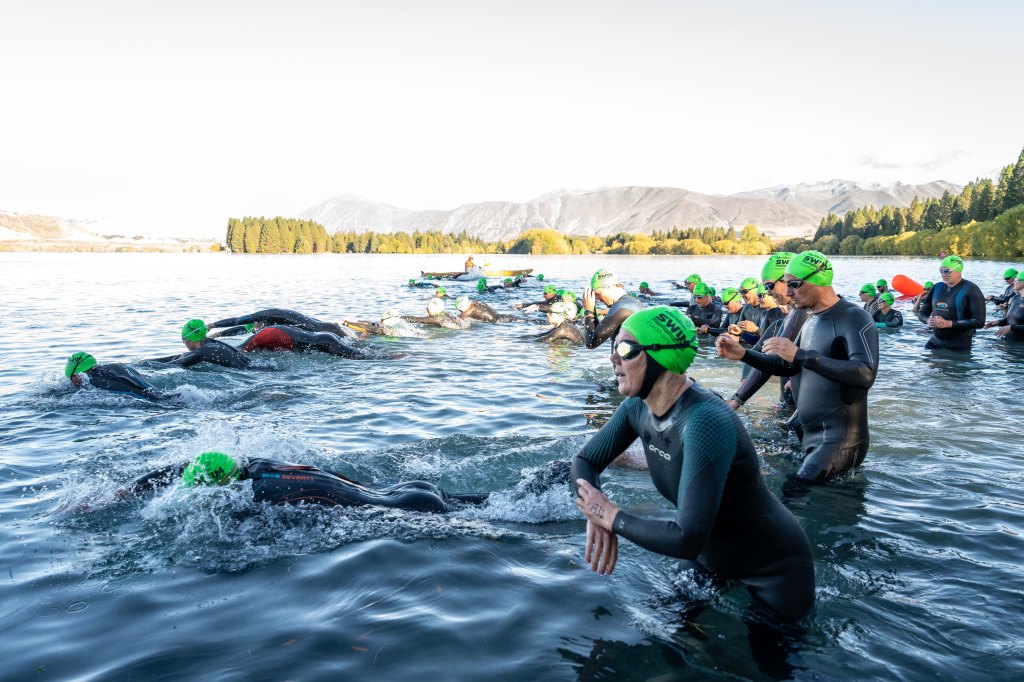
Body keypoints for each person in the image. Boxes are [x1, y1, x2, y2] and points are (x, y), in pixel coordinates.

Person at [571, 306, 815, 628]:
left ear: (664, 357)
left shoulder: (705, 421)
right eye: (615, 347)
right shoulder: (636, 407)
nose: (613, 359)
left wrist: (610, 516)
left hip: (772, 569)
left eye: (626, 349)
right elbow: (585, 461)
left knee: (768, 667)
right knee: (672, 640)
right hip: (706, 559)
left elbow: (686, 536)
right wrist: (594, 512)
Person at [716, 251, 879, 486]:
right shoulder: (812, 319)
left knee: (792, 496)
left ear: (818, 280)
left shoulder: (855, 318)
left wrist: (801, 355)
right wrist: (743, 354)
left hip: (838, 442)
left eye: (794, 284)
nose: (789, 291)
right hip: (810, 432)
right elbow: (786, 366)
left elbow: (865, 373)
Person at [107, 451, 488, 514]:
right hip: (408, 488)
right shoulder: (258, 464)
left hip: (409, 510)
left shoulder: (258, 495)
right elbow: (186, 465)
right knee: (495, 501)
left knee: (506, 520)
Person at [727, 252, 808, 409]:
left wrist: (742, 353)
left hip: (805, 412)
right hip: (788, 407)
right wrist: (738, 397)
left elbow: (779, 363)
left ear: (789, 281)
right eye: (764, 288)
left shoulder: (804, 315)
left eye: (769, 286)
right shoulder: (781, 323)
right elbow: (763, 356)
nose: (767, 292)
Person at [916, 255, 986, 350]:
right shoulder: (937, 287)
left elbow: (979, 322)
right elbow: (922, 312)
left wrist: (947, 323)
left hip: (958, 346)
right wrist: (928, 321)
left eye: (947, 271)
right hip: (934, 341)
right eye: (941, 271)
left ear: (958, 271)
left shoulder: (971, 289)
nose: (943, 274)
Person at [146, 319, 252, 369]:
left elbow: (175, 364)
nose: (183, 342)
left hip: (248, 372)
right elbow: (178, 357)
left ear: (192, 339)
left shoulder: (204, 351)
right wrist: (144, 362)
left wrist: (144, 368)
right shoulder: (210, 344)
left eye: (184, 339)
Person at [582, 268, 644, 349]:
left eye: (597, 293)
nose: (597, 298)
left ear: (608, 287)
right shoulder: (631, 302)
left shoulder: (622, 307)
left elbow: (591, 343)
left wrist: (589, 311)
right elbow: (596, 332)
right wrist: (592, 311)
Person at [64, 352, 166, 401]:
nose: (71, 382)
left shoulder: (95, 381)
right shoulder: (115, 366)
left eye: (71, 378)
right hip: (163, 394)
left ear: (77, 374)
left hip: (157, 401)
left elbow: (131, 393)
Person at [208, 308, 357, 340]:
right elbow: (243, 328)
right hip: (330, 330)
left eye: (255, 329)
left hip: (332, 331)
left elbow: (239, 320)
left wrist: (212, 325)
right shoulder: (271, 322)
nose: (254, 331)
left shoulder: (270, 314)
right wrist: (218, 335)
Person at [241, 325, 376, 358]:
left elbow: (242, 354)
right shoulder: (265, 333)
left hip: (324, 341)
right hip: (323, 337)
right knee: (360, 353)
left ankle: (389, 357)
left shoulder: (253, 342)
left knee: (360, 357)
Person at [984, 271, 1024, 340]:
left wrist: (1011, 327)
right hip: (1007, 342)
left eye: (1016, 280)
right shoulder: (1014, 299)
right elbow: (1010, 320)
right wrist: (998, 322)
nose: (1014, 282)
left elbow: (1012, 325)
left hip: (1020, 347)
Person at [343, 309, 427, 338]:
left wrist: (346, 323)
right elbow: (372, 324)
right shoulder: (403, 326)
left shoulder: (384, 330)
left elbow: (367, 327)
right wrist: (355, 320)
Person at [402, 297, 471, 330]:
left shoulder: (436, 318)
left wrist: (400, 318)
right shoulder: (445, 313)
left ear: (433, 309)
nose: (426, 310)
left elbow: (416, 319)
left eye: (428, 309)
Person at [455, 296, 520, 323]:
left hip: (502, 322)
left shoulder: (466, 313)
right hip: (506, 317)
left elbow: (458, 322)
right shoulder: (476, 303)